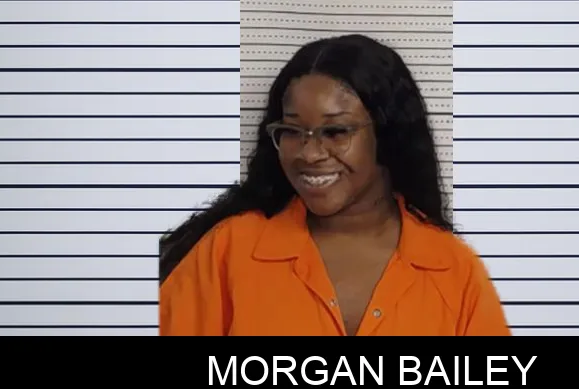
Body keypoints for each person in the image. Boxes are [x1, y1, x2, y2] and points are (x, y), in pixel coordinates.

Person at [158, 34, 511, 336]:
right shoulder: (229, 251)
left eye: (336, 131)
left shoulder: (454, 270)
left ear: (388, 135)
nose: (309, 154)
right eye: (292, 131)